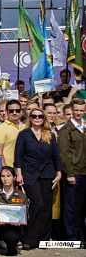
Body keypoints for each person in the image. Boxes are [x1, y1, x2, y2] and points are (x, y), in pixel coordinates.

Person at [15, 107, 62, 250]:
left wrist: (59, 172)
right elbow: (18, 156)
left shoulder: (49, 135)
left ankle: (43, 239)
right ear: (29, 118)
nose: (37, 118)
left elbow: (56, 156)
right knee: (38, 205)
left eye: (40, 116)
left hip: (47, 173)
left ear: (44, 119)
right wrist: (19, 173)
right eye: (34, 116)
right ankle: (30, 239)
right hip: (29, 173)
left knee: (46, 207)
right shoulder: (24, 134)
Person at [57, 98, 86, 241]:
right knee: (70, 207)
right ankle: (71, 236)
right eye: (76, 110)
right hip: (73, 173)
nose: (79, 113)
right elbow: (64, 153)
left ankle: (77, 234)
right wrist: (69, 173)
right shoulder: (66, 130)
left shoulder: (83, 128)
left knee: (79, 207)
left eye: (81, 110)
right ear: (71, 111)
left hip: (84, 172)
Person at [0, 166, 28, 256]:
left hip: (12, 227)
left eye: (8, 176)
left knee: (12, 237)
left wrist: (20, 223)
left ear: (14, 177)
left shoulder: (21, 196)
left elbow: (24, 214)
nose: (5, 179)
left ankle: (11, 248)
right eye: (3, 176)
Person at [0, 100, 25, 168]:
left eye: (17, 110)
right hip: (9, 169)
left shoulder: (26, 127)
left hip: (25, 169)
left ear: (21, 111)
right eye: (11, 111)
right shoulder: (0, 128)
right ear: (7, 112)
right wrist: (5, 169)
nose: (14, 113)